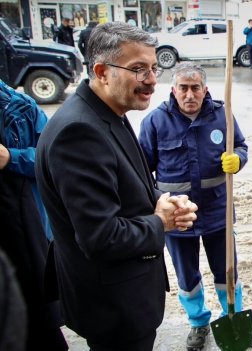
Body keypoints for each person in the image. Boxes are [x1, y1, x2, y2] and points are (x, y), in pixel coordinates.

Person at [35, 22, 198, 351]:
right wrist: (160, 222)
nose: (152, 80)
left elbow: (129, 182)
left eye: (154, 67)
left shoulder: (108, 110)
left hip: (121, 297)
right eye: (138, 69)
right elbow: (100, 237)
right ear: (102, 71)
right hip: (113, 305)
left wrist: (162, 200)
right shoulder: (79, 133)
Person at [138, 62, 249, 351]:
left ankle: (233, 317)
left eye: (195, 88)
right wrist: (159, 203)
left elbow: (241, 146)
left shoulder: (222, 117)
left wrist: (237, 158)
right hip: (177, 218)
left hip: (218, 213)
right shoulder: (155, 122)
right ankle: (198, 322)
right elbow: (140, 172)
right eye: (183, 88)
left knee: (227, 272)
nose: (189, 95)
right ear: (173, 90)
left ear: (205, 89)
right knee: (187, 277)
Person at [0, 80, 67, 349]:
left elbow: (52, 158)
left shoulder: (19, 108)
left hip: (25, 240)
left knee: (38, 328)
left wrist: (10, 157)